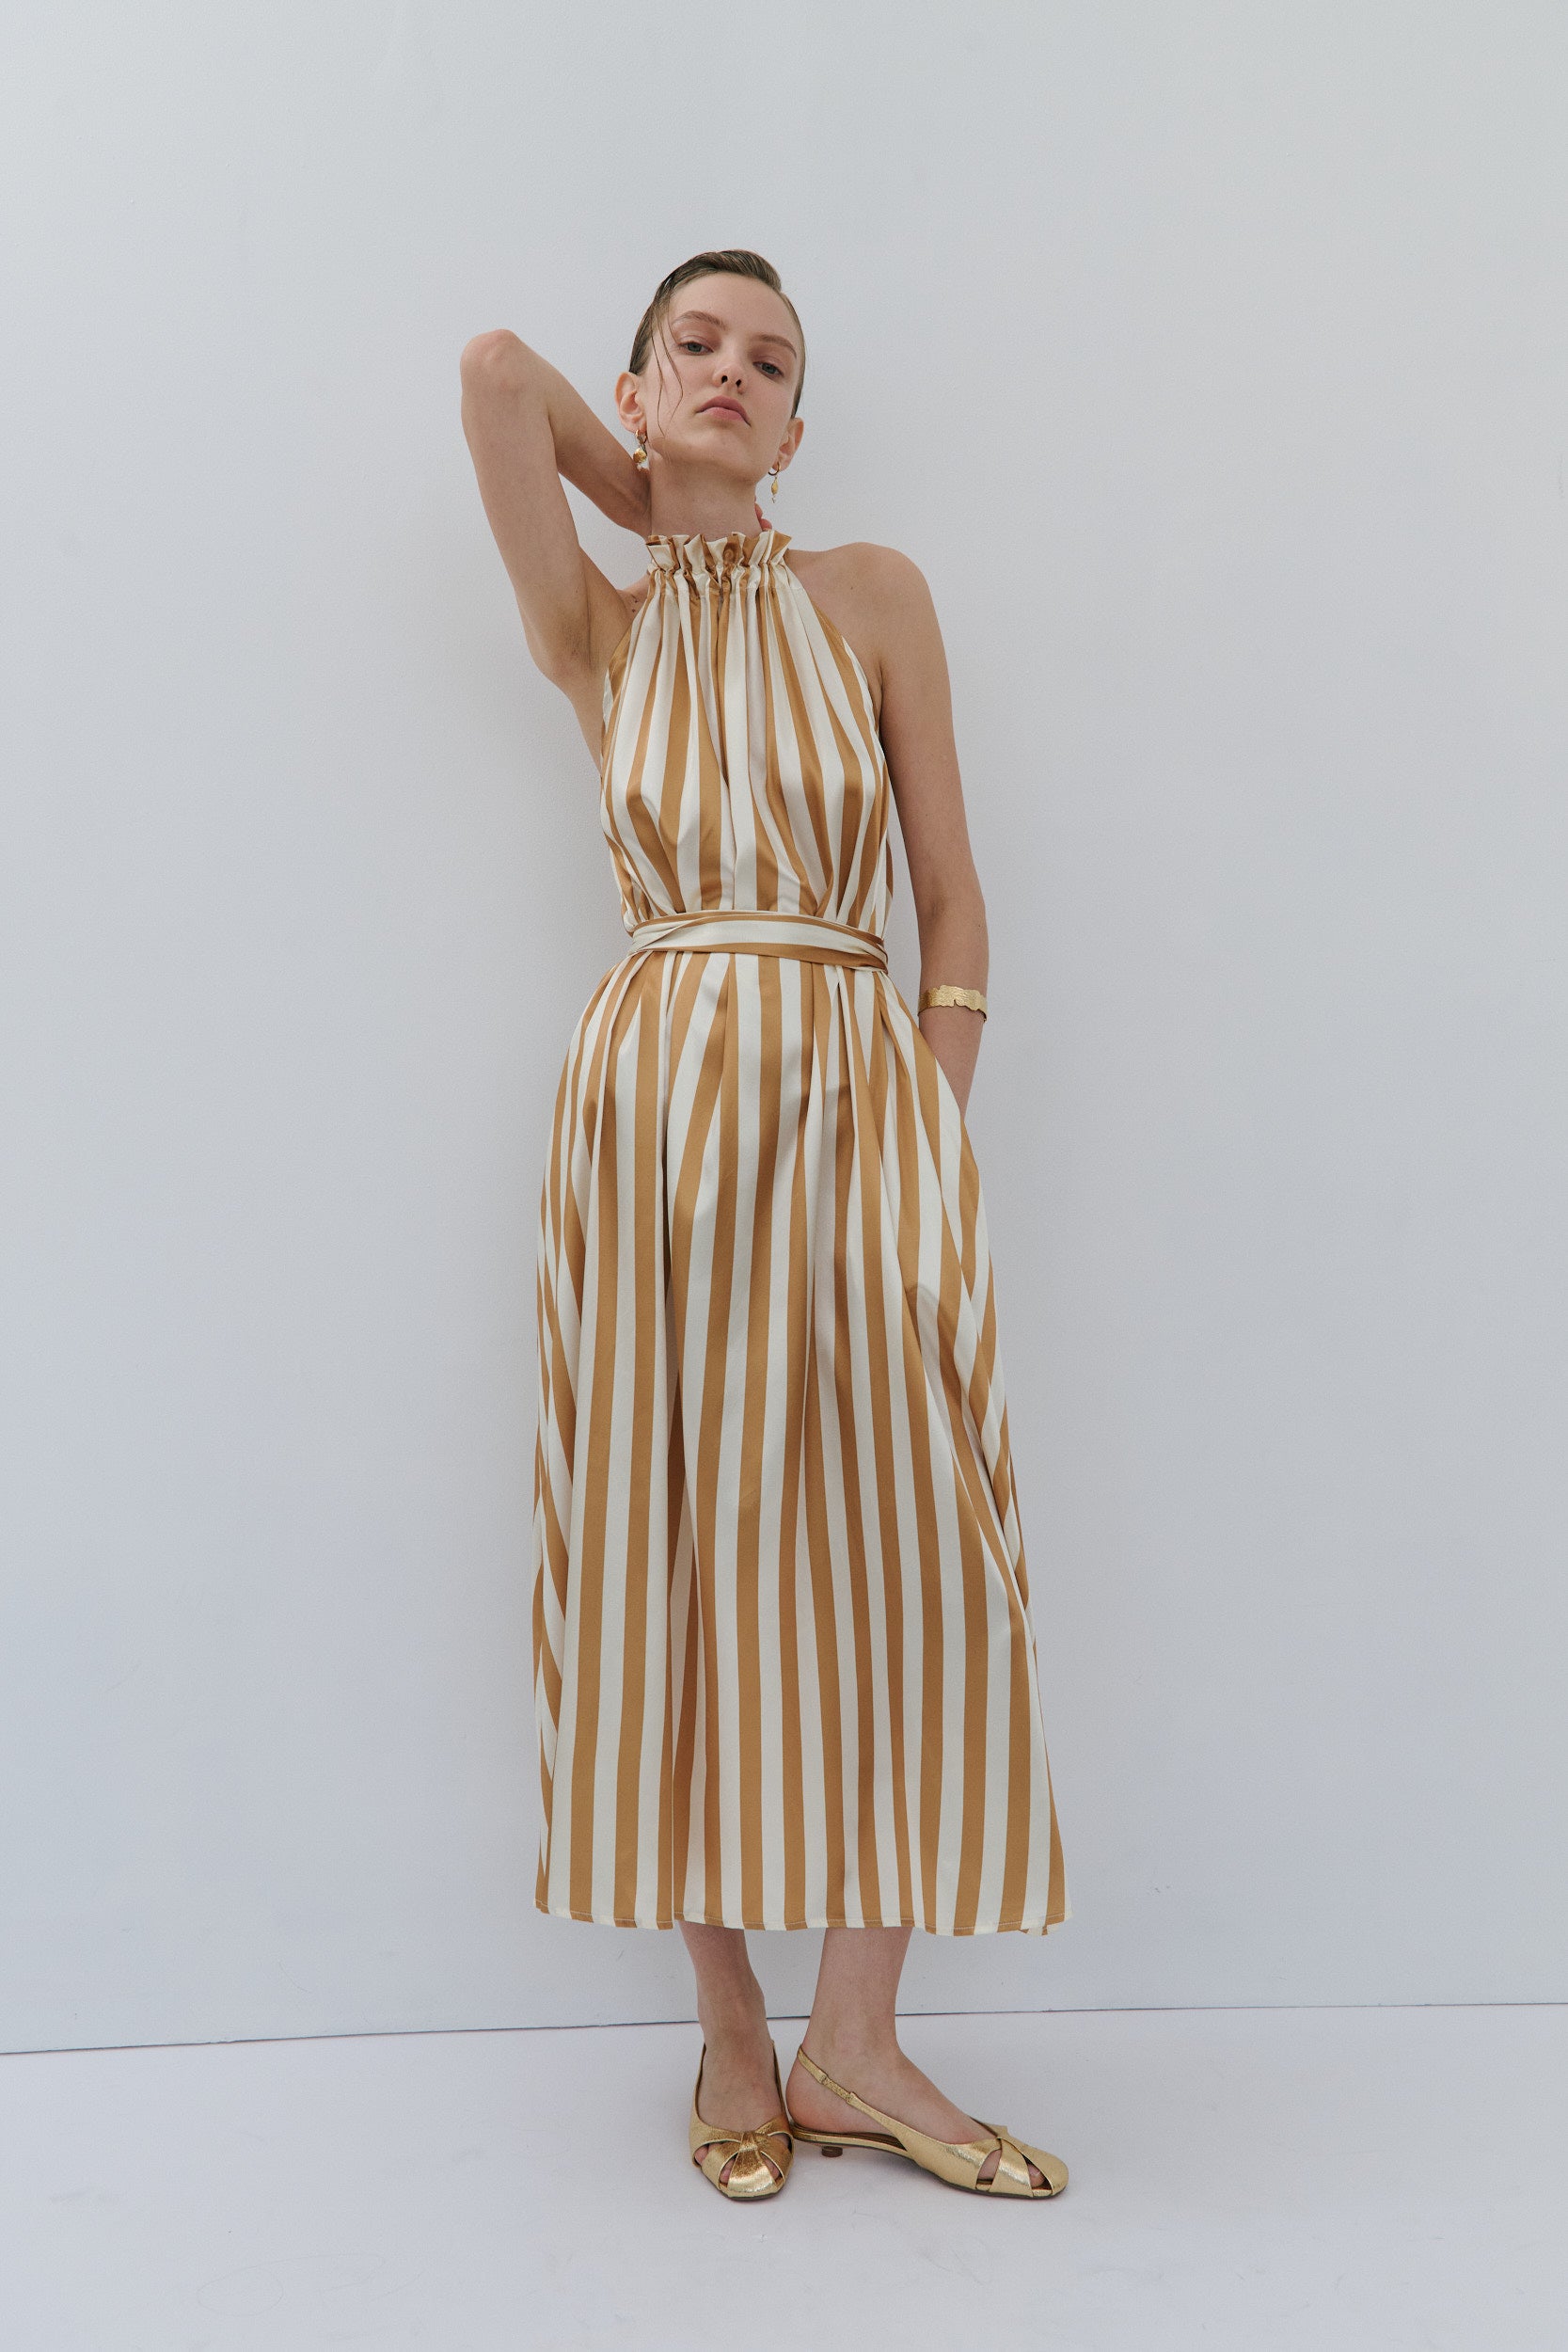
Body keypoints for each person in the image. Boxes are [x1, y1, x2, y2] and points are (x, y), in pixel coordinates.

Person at [460, 248, 1069, 2203]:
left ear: (803, 428)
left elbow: (956, 902)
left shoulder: (875, 594)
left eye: (770, 362)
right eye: (694, 348)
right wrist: (652, 493)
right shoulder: (597, 628)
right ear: (635, 399)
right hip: (649, 1119)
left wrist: (930, 1116)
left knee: (915, 1539)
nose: (734, 369)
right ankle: (732, 2027)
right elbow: (487, 375)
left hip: (855, 1093)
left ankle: (859, 2036)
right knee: (670, 1544)